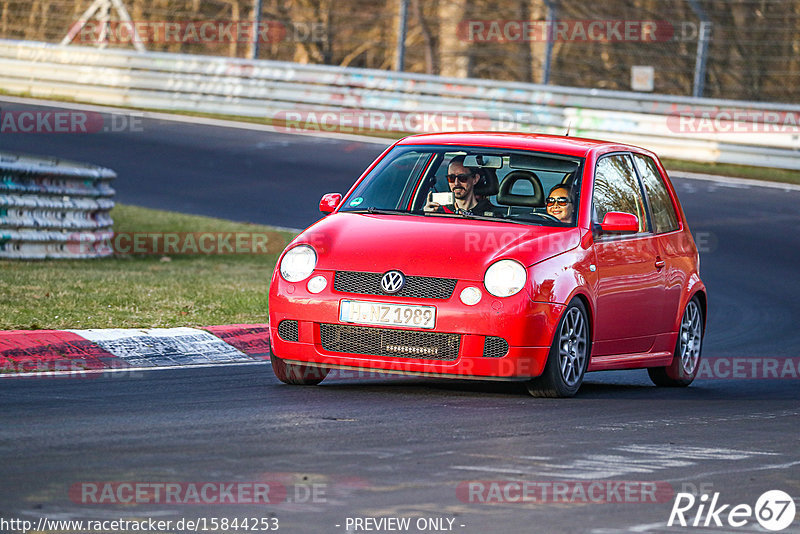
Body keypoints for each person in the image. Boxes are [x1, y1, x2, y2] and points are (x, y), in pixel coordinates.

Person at [424, 156, 494, 215]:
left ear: (475, 179)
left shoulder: (490, 214)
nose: (456, 183)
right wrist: (427, 216)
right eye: (451, 178)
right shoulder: (440, 211)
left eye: (462, 178)